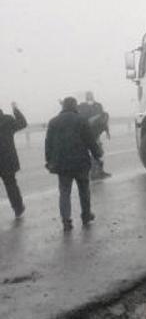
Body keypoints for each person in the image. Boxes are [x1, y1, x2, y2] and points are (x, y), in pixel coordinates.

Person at [45, 97, 101, 231]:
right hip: (80, 163)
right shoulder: (82, 120)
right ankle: (86, 216)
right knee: (84, 190)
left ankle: (66, 220)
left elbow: (48, 144)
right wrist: (97, 154)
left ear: (63, 106)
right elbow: (90, 140)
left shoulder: (53, 122)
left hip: (62, 164)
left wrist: (49, 161)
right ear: (75, 106)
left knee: (64, 192)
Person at [0, 102, 27, 218]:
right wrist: (16, 110)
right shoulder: (7, 120)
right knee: (11, 184)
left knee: (10, 184)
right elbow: (23, 123)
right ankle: (18, 208)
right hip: (7, 159)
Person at [77, 91, 111, 179]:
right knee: (95, 152)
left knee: (98, 152)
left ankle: (97, 172)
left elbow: (103, 118)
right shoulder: (82, 106)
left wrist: (107, 131)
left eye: (90, 95)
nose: (89, 97)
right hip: (87, 133)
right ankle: (94, 173)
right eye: (88, 95)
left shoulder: (98, 105)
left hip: (96, 132)